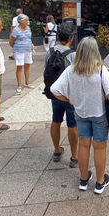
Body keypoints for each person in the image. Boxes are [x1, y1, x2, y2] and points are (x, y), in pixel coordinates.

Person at [51, 37, 109, 194]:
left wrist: (70, 100)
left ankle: (83, 179)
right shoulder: (99, 70)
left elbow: (54, 89)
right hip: (100, 114)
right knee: (100, 148)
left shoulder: (71, 70)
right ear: (95, 52)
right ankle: (100, 182)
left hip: (80, 113)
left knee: (83, 145)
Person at [44, 22, 79, 168]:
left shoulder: (50, 51)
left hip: (54, 93)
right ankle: (74, 156)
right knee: (72, 124)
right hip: (69, 95)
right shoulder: (73, 55)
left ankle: (57, 151)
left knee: (56, 120)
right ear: (72, 37)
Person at [10, 14, 35, 94]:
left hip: (28, 49)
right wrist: (15, 48)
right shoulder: (16, 30)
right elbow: (11, 41)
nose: (27, 22)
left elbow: (29, 38)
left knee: (27, 65)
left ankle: (27, 82)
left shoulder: (28, 29)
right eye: (26, 21)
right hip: (19, 50)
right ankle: (19, 85)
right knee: (19, 67)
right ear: (21, 22)